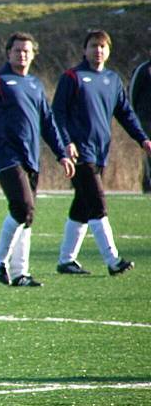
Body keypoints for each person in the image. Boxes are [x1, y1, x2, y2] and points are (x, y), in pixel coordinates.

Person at [0, 32, 76, 287]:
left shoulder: (35, 85)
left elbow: (48, 123)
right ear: (8, 53)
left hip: (31, 157)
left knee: (27, 216)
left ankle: (20, 274)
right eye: (17, 50)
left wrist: (61, 154)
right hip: (7, 156)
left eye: (27, 51)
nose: (22, 55)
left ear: (33, 54)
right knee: (23, 207)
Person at [52, 30, 151, 276]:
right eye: (93, 46)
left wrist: (143, 138)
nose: (98, 50)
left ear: (108, 50)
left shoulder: (112, 80)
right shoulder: (72, 77)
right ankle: (113, 260)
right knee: (97, 203)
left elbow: (125, 113)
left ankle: (66, 260)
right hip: (79, 154)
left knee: (82, 206)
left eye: (103, 46)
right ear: (84, 50)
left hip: (99, 152)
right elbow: (58, 114)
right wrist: (66, 142)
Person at [128, 51, 151, 193]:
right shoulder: (144, 70)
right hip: (147, 119)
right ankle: (148, 186)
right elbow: (132, 93)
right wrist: (135, 118)